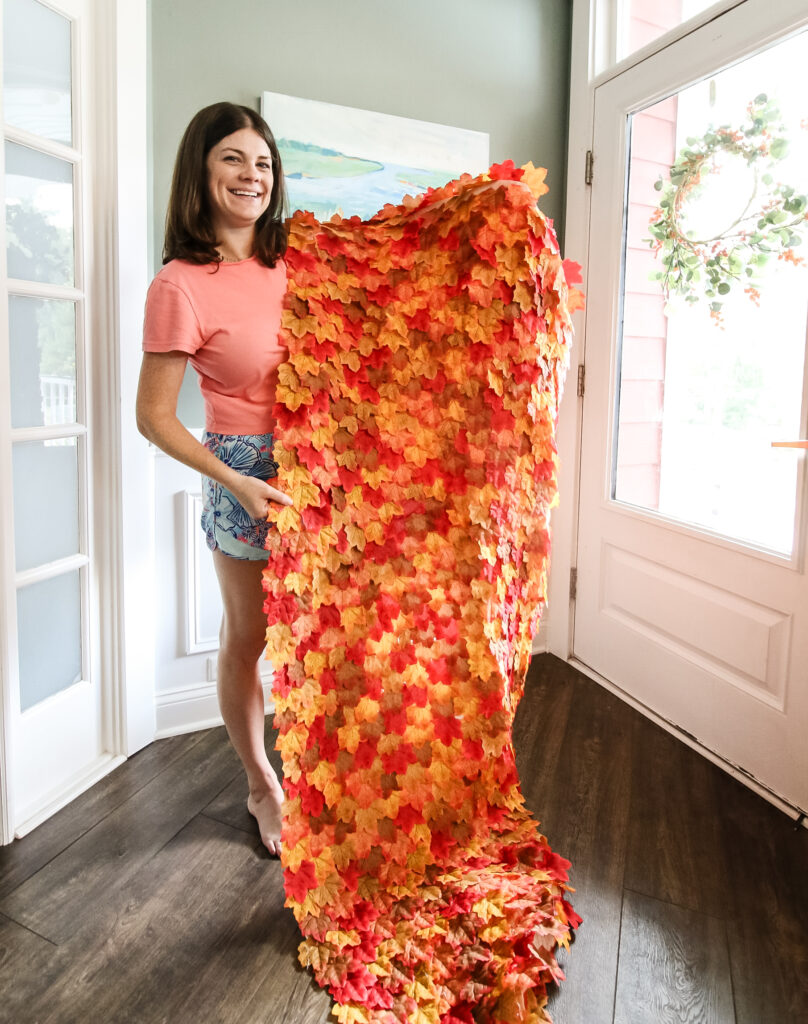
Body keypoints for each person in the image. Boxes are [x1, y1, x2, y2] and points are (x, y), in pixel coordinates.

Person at [136, 102, 293, 857]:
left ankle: (330, 773)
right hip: (245, 471)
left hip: (325, 465)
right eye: (233, 158)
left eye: (262, 163)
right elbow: (155, 417)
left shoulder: (303, 262)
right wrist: (236, 481)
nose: (251, 175)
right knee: (249, 638)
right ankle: (262, 784)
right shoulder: (181, 282)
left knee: (331, 636)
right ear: (201, 170)